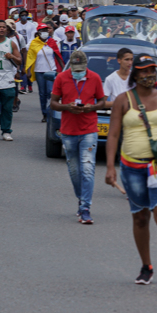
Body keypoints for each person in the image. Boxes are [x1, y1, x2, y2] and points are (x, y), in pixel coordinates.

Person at [104, 54, 157, 292]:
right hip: (132, 167)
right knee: (140, 217)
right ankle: (146, 266)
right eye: (144, 71)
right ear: (135, 75)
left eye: (152, 70)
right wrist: (110, 167)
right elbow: (113, 135)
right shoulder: (123, 100)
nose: (149, 75)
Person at [50, 50, 106, 224]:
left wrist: (91, 107)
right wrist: (67, 106)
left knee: (88, 169)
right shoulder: (61, 78)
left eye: (81, 69)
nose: (78, 72)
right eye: (75, 69)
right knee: (74, 171)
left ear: (86, 66)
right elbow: (53, 102)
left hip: (89, 130)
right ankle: (81, 199)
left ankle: (85, 208)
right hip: (68, 131)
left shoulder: (95, 78)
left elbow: (102, 101)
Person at [25, 23, 63, 123]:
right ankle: (44, 114)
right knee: (42, 94)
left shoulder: (52, 42)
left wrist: (63, 69)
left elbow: (58, 55)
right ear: (38, 32)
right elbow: (30, 57)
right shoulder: (34, 43)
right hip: (39, 71)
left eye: (46, 30)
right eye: (42, 31)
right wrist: (28, 70)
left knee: (50, 92)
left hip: (51, 71)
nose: (45, 32)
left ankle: (50, 111)